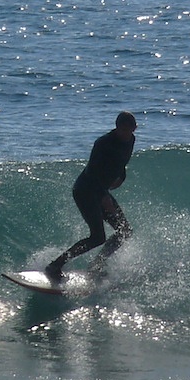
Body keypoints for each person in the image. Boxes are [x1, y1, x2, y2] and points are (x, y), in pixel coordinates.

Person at [45, 111, 138, 282]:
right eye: (122, 130)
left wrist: (121, 178)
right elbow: (91, 172)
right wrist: (104, 196)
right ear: (116, 128)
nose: (125, 134)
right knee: (97, 237)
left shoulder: (131, 140)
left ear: (134, 129)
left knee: (125, 231)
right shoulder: (103, 144)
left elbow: (121, 162)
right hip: (86, 191)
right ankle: (54, 266)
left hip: (101, 191)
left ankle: (97, 265)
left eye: (129, 130)